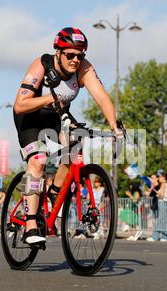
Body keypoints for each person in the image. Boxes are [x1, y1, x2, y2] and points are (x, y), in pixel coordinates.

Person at [12, 27, 123, 247]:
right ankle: (31, 223)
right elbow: (19, 105)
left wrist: (114, 125)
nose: (75, 60)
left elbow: (101, 96)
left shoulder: (83, 69)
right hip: (30, 118)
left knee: (75, 148)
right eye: (70, 54)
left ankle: (54, 191)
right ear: (58, 52)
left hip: (57, 115)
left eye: (80, 55)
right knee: (39, 161)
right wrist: (48, 100)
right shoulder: (42, 64)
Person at [147, 173, 167, 242]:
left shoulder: (164, 184)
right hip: (163, 203)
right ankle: (166, 237)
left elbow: (162, 195)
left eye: (160, 177)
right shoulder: (164, 184)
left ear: (163, 178)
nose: (159, 178)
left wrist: (157, 193)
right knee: (163, 220)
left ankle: (155, 237)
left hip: (162, 203)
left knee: (160, 220)